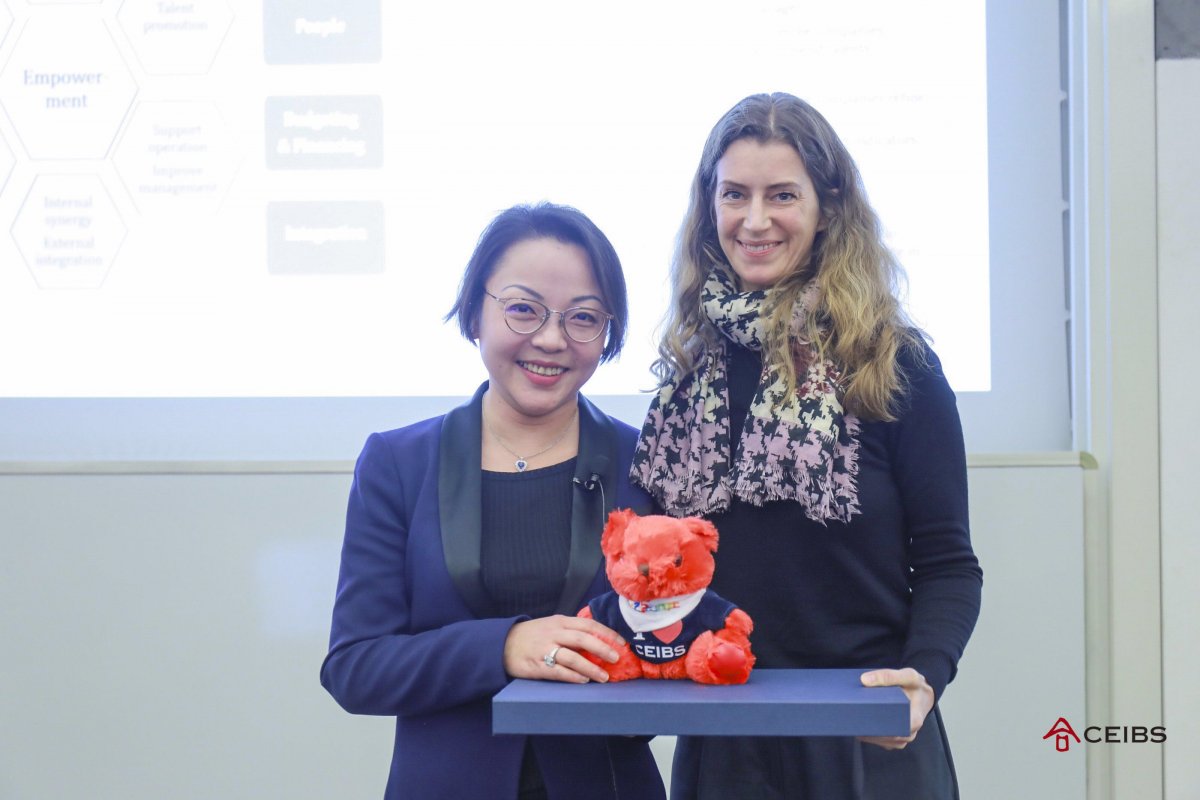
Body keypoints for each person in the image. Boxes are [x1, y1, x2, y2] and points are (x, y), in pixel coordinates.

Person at [631, 93, 983, 799]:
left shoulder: (894, 365)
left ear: (827, 208)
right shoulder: (685, 379)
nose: (755, 220)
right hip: (723, 740)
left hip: (866, 735)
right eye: (735, 194)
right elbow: (650, 574)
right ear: (710, 208)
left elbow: (948, 563)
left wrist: (924, 676)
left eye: (782, 195)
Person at [321, 202, 666, 800]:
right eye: (523, 309)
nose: (551, 339)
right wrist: (503, 647)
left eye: (584, 317)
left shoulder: (649, 463)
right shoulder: (398, 463)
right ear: (475, 313)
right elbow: (356, 668)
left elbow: (676, 647)